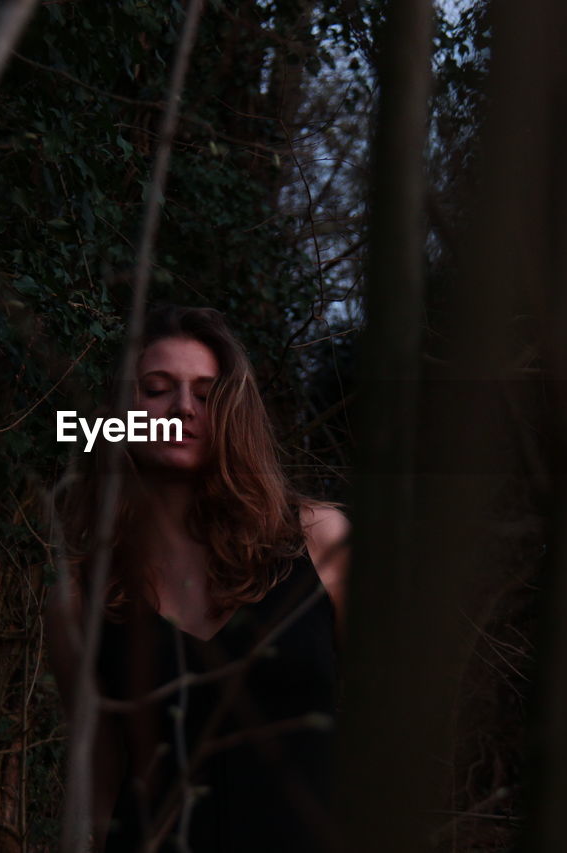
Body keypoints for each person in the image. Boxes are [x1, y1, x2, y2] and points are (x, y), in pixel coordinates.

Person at [44, 304, 350, 853]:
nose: (183, 408)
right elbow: (101, 784)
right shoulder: (80, 596)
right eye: (157, 389)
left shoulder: (322, 540)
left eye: (207, 395)